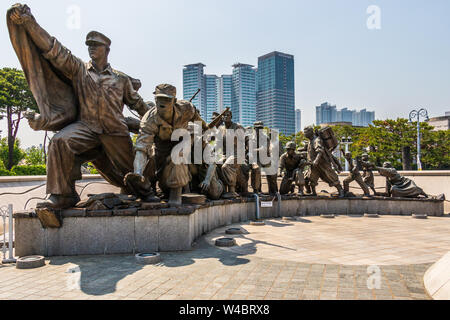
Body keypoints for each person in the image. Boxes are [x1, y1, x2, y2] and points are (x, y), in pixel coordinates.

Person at [8, 4, 151, 209]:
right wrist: (29, 23)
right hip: (87, 128)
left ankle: (141, 190)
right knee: (59, 142)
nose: (92, 48)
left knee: (137, 177)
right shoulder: (79, 70)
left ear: (106, 49)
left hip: (115, 132)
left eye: (96, 45)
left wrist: (155, 121)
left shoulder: (120, 79)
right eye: (89, 45)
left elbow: (139, 105)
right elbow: (53, 49)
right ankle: (62, 195)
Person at [128, 84, 208, 207]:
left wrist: (206, 128)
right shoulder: (149, 120)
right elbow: (142, 148)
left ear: (174, 101)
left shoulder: (186, 108)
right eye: (159, 99)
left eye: (167, 99)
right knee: (155, 165)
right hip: (162, 148)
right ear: (155, 100)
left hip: (182, 140)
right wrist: (137, 173)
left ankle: (176, 194)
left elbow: (197, 119)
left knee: (178, 154)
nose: (162, 103)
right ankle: (153, 189)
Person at [303, 126, 344, 197]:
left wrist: (316, 160)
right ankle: (313, 192)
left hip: (322, 163)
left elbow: (320, 151)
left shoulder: (316, 140)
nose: (304, 134)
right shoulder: (310, 141)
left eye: (306, 132)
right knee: (311, 177)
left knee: (330, 176)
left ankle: (341, 191)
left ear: (311, 132)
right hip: (313, 165)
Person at [250, 122, 279, 195]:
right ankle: (257, 190)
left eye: (261, 128)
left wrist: (255, 150)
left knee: (272, 170)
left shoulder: (266, 137)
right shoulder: (250, 138)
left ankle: (273, 190)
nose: (259, 130)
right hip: (255, 158)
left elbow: (264, 149)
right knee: (256, 169)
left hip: (265, 158)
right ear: (254, 128)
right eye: (257, 128)